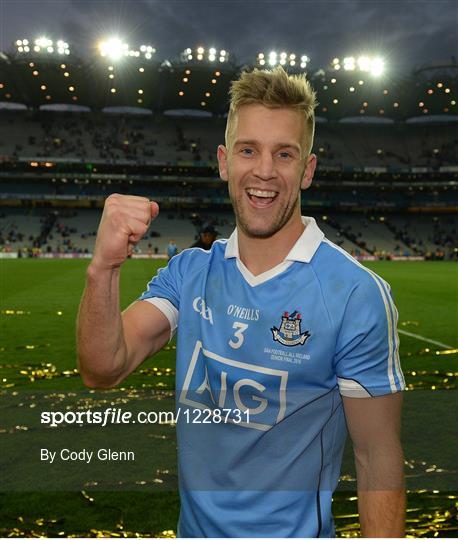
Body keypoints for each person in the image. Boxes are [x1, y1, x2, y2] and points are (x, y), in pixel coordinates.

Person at [77, 66, 405, 538]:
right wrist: (103, 269)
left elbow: (378, 458)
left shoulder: (354, 294)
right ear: (224, 161)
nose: (265, 170)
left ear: (307, 170)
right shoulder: (189, 273)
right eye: (248, 149)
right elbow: (102, 367)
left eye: (285, 154)